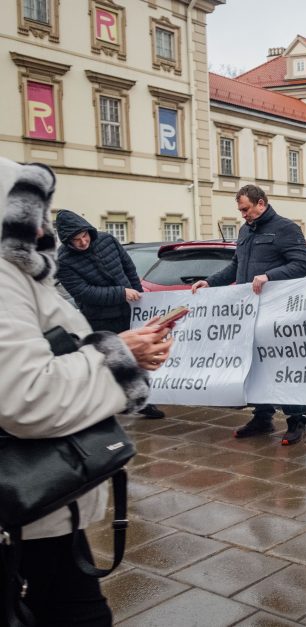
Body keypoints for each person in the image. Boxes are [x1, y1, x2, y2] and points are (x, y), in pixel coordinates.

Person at [0, 158, 172, 625]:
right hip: (26, 499)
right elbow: (26, 393)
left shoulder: (25, 271)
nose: (40, 225)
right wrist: (122, 358)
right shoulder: (5, 276)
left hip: (41, 500)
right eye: (27, 210)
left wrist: (126, 346)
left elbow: (53, 351)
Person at [191, 185, 306, 445]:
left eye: (245, 209)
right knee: (255, 367)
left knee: (281, 366)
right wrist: (210, 282)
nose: (242, 214)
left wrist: (270, 276)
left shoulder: (286, 228)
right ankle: (262, 417)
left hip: (277, 314)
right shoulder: (245, 231)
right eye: (240, 210)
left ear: (261, 203)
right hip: (249, 314)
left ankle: (296, 420)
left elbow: (303, 264)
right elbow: (236, 266)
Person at [54, 209, 165, 419]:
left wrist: (139, 295)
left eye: (84, 236)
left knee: (135, 358)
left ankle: (143, 402)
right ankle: (106, 405)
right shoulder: (64, 261)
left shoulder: (107, 240)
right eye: (76, 240)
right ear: (67, 241)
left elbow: (128, 267)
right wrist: (121, 293)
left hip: (128, 311)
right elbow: (84, 293)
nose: (83, 242)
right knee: (111, 362)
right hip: (100, 318)